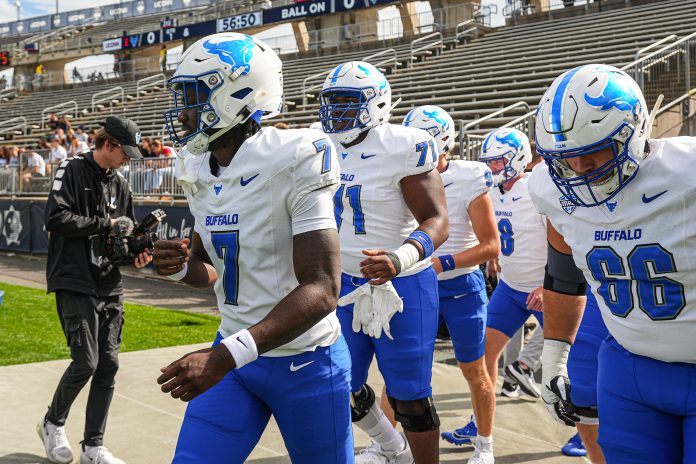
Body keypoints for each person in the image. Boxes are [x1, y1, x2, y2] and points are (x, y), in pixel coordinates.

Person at [154, 32, 352, 463]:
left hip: (306, 361)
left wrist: (225, 356)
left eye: (193, 96)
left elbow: (322, 288)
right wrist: (175, 268)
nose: (182, 112)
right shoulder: (197, 166)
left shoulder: (296, 154)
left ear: (234, 95)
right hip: (236, 359)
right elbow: (210, 271)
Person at [529, 63, 696, 463]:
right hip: (628, 370)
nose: (578, 171)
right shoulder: (550, 189)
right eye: (564, 159)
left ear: (632, 133)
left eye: (590, 154)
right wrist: (554, 355)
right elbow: (564, 273)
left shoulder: (687, 172)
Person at [319, 62, 449, 464]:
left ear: (377, 104)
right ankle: (393, 448)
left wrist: (399, 256)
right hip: (345, 283)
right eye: (331, 101)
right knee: (339, 386)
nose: (336, 111)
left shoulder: (404, 144)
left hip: (404, 284)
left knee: (410, 397)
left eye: (348, 101)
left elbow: (438, 221)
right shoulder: (318, 143)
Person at [39, 116, 150, 464]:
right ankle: (52, 422)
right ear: (108, 145)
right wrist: (107, 224)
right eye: (125, 153)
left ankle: (93, 447)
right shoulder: (70, 169)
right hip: (73, 278)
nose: (128, 160)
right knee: (86, 361)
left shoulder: (121, 184)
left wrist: (139, 250)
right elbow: (55, 218)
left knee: (109, 365)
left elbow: (127, 236)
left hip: (109, 282)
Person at [403, 106, 500, 464]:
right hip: (417, 284)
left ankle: (485, 446)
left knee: (475, 370)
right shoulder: (403, 173)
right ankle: (385, 443)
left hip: (460, 285)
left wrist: (440, 261)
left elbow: (491, 246)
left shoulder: (470, 177)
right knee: (405, 368)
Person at [443, 128, 546, 454]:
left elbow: (565, 243)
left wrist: (550, 285)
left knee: (574, 366)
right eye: (489, 162)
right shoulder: (491, 190)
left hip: (545, 290)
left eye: (500, 161)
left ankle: (582, 426)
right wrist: (496, 259)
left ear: (518, 158)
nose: (494, 168)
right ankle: (479, 422)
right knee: (484, 357)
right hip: (511, 288)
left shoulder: (538, 189)